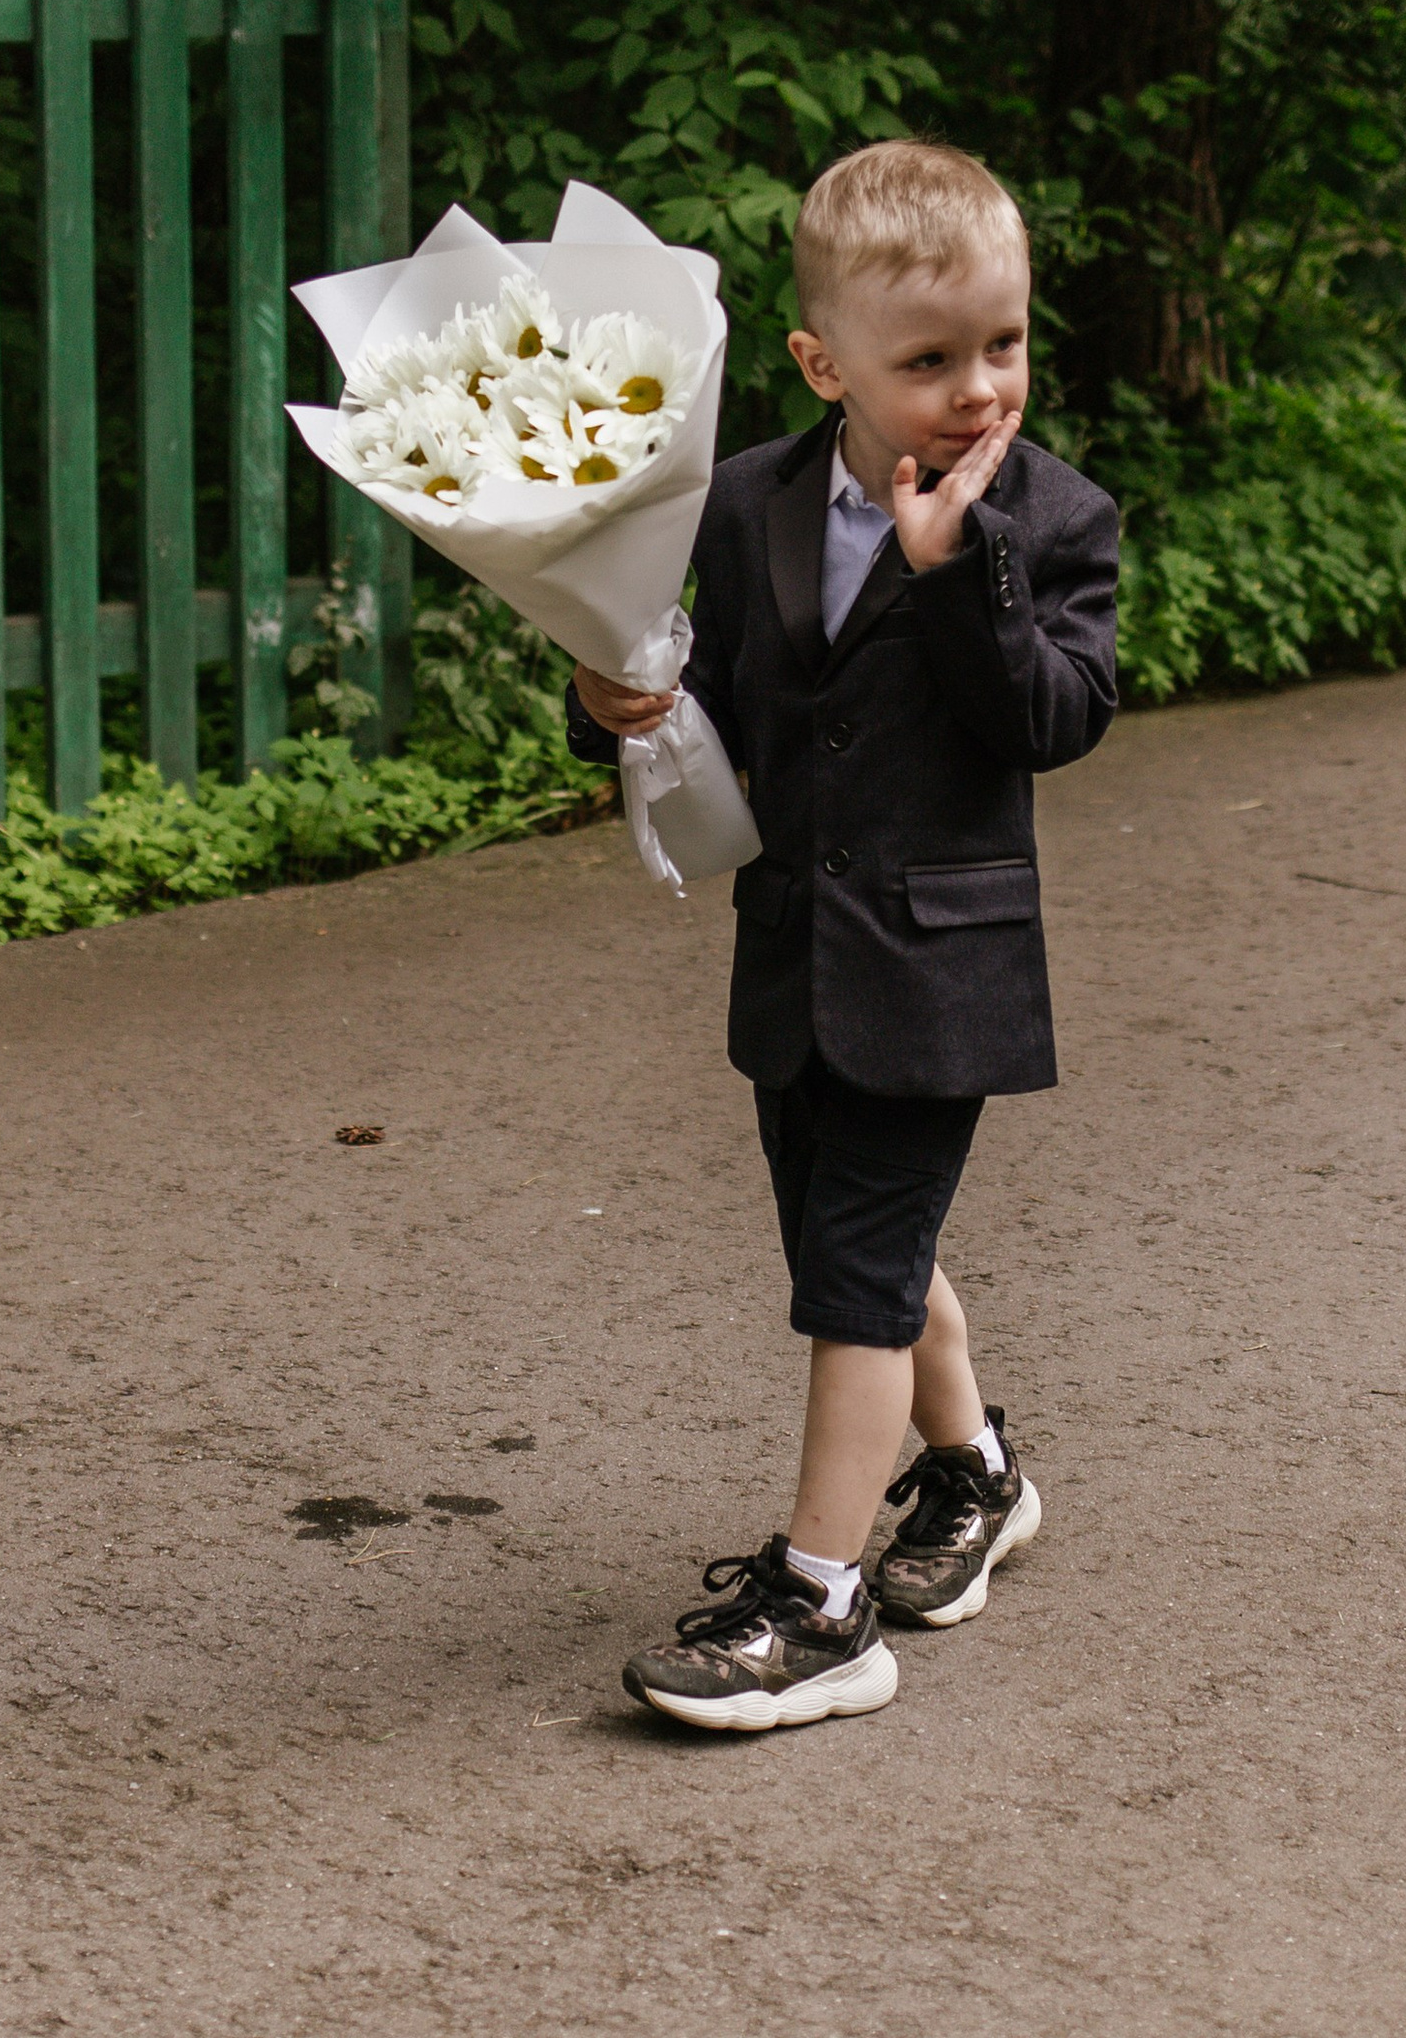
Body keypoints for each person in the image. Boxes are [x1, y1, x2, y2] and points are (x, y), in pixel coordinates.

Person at [566, 138, 1121, 1732]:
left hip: (944, 971)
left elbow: (1059, 718)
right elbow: (721, 703)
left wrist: (961, 581)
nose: (979, 388)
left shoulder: (1055, 521)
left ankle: (820, 1608)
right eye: (931, 358)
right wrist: (619, 701)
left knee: (856, 1280)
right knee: (855, 1248)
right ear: (825, 364)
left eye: (1004, 345)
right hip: (795, 953)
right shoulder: (742, 503)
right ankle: (980, 1478)